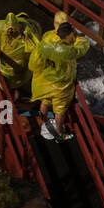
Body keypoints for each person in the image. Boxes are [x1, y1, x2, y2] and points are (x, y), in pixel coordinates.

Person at [29, 11, 90, 141]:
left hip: (46, 80)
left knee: (45, 101)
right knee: (60, 111)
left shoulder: (46, 39)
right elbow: (82, 47)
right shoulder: (68, 48)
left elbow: (34, 64)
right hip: (62, 85)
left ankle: (42, 122)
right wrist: (79, 37)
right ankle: (59, 133)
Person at [0, 12, 41, 99]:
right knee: (4, 85)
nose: (10, 31)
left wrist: (23, 36)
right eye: (8, 29)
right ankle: (5, 105)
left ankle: (13, 103)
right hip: (5, 67)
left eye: (12, 29)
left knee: (18, 85)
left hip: (22, 68)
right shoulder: (1, 26)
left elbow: (35, 47)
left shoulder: (28, 30)